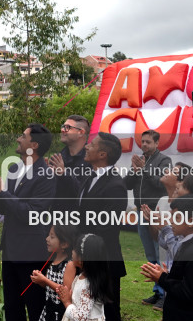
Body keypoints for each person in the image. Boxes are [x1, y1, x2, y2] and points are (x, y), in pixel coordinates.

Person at [0, 123, 56, 321]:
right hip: (10, 250)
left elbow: (34, 213)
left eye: (23, 136)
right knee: (12, 308)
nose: (18, 139)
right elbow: (4, 208)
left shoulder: (46, 176)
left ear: (33, 145)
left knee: (35, 309)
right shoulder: (15, 168)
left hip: (31, 254)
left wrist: (3, 193)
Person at [76, 132, 127, 321]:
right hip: (84, 258)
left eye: (92, 144)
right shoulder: (90, 177)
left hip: (103, 262)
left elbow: (106, 228)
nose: (87, 146)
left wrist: (78, 244)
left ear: (102, 154)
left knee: (108, 312)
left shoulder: (115, 186)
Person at [140, 195, 193, 321]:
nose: (171, 221)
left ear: (191, 221)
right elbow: (186, 280)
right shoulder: (187, 243)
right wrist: (167, 275)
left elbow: (188, 292)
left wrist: (162, 278)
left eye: (177, 217)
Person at [124, 130, 172, 308]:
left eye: (148, 142)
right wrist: (135, 171)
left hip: (156, 210)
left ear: (157, 143)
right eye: (142, 142)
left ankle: (165, 294)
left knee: (160, 253)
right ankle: (157, 291)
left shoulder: (164, 161)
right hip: (140, 211)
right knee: (150, 255)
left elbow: (161, 183)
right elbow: (127, 184)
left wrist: (144, 170)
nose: (144, 145)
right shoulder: (139, 160)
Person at [56, 234, 111, 321]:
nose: (72, 252)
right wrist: (69, 296)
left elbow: (80, 317)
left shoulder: (88, 285)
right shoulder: (84, 277)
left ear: (82, 258)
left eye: (74, 249)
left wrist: (67, 302)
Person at [30, 224, 78, 321]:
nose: (47, 239)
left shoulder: (69, 264)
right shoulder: (53, 259)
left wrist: (45, 280)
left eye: (52, 237)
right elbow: (48, 285)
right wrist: (40, 280)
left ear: (64, 244)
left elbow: (65, 291)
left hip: (60, 313)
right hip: (48, 310)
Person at [47, 115, 94, 213]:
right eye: (63, 126)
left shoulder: (93, 160)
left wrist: (64, 174)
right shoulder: (58, 158)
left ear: (81, 132)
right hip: (55, 218)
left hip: (79, 221)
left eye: (68, 127)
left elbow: (86, 194)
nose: (63, 130)